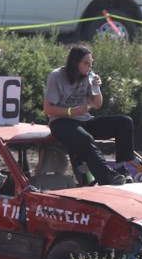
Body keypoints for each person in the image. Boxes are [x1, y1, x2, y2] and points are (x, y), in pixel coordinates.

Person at [43, 45, 136, 186]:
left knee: (124, 122)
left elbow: (97, 104)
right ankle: (106, 176)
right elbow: (48, 109)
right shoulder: (56, 76)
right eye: (86, 63)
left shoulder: (89, 75)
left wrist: (96, 87)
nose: (89, 66)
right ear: (75, 63)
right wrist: (71, 111)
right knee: (85, 138)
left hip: (84, 119)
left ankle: (121, 168)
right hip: (62, 122)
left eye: (91, 63)